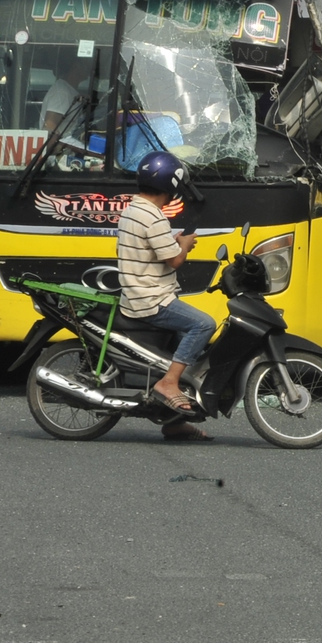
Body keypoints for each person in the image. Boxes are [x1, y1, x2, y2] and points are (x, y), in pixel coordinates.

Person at [116, 151, 215, 441]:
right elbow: (174, 261)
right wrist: (183, 244)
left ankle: (173, 423)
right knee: (203, 325)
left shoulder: (133, 210)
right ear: (171, 187)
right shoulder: (154, 217)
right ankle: (168, 383)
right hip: (152, 299)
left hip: (136, 294)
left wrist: (173, 243)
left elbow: (149, 249)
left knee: (181, 353)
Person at [42, 53, 96, 133]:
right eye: (86, 64)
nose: (89, 68)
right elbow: (50, 128)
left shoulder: (70, 91)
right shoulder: (61, 92)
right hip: (63, 145)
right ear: (75, 66)